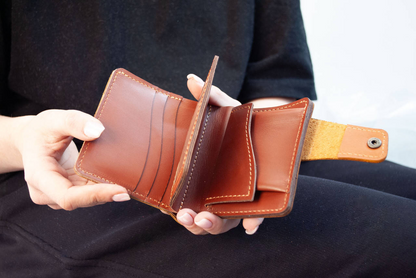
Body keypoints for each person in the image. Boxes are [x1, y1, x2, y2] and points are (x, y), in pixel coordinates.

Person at [1, 1, 415, 277]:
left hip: (236, 144)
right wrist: (23, 136)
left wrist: (252, 154)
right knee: (401, 238)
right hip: (45, 177)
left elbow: (273, 75)